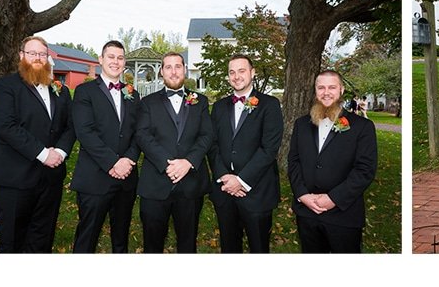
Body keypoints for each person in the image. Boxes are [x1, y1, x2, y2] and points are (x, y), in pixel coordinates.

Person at [0, 36, 74, 253]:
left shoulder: (60, 90)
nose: (38, 58)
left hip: (51, 177)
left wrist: (59, 151)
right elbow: (6, 126)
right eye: (32, 53)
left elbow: (71, 126)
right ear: (21, 56)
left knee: (43, 235)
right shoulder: (5, 86)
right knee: (13, 238)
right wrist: (42, 153)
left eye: (42, 54)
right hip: (14, 175)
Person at [287, 69, 378, 253]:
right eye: (321, 87)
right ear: (315, 90)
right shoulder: (301, 124)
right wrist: (302, 195)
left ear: (341, 90)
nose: (326, 92)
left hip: (343, 214)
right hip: (307, 212)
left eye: (331, 87)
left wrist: (333, 199)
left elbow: (365, 169)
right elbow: (294, 162)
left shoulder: (362, 127)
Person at [136, 52, 213, 254]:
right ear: (161, 72)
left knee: (188, 244)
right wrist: (166, 163)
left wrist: (188, 162)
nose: (173, 71)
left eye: (178, 66)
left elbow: (206, 135)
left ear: (184, 69)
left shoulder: (200, 101)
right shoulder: (147, 102)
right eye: (168, 67)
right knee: (152, 245)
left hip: (191, 185)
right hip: (156, 184)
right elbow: (142, 135)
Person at [70, 39, 141, 254]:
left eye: (120, 58)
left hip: (126, 179)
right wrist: (113, 162)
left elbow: (139, 133)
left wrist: (128, 160)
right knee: (87, 237)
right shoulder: (85, 91)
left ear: (124, 62)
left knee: (121, 237)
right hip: (95, 177)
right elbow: (85, 132)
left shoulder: (133, 94)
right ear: (101, 60)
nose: (115, 62)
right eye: (111, 57)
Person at [208, 54, 284, 254]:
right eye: (232, 72)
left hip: (257, 191)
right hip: (225, 192)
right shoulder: (218, 107)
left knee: (258, 248)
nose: (236, 76)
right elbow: (212, 145)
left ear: (252, 72)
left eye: (241, 71)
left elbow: (269, 149)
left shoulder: (270, 105)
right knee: (229, 248)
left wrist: (241, 180)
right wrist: (225, 177)